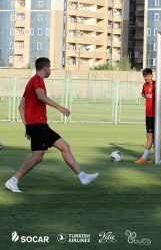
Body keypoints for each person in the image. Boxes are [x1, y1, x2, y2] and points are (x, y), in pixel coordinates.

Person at [4, 57, 99, 193]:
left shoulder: (31, 82)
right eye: (50, 68)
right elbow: (41, 96)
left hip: (38, 125)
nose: (50, 71)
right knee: (37, 157)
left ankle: (83, 177)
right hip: (38, 125)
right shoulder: (37, 81)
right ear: (45, 68)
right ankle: (13, 181)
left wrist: (27, 126)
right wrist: (59, 107)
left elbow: (20, 107)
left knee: (64, 146)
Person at [133, 68, 161, 164]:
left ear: (152, 75)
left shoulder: (155, 84)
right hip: (148, 114)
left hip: (155, 115)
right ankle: (156, 157)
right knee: (152, 136)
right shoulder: (145, 85)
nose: (147, 77)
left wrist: (159, 94)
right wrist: (146, 96)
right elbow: (143, 94)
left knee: (150, 137)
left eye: (148, 76)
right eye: (145, 76)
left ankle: (144, 158)